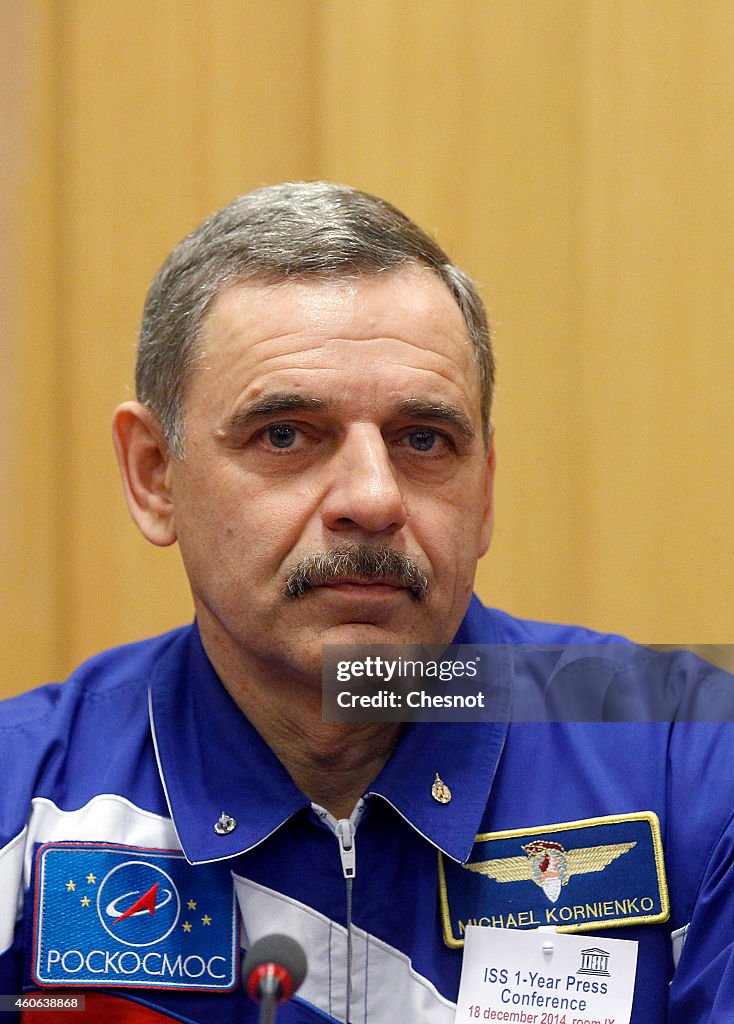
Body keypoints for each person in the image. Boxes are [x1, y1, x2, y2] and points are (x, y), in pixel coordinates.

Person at [1, 182, 732, 1023]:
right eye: (286, 435)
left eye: (423, 440)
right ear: (155, 475)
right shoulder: (24, 798)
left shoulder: (692, 759)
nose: (375, 498)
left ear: (485, 489)